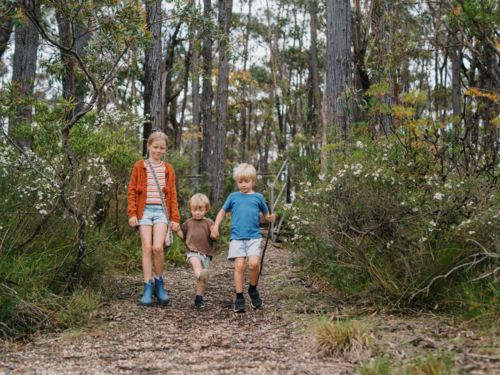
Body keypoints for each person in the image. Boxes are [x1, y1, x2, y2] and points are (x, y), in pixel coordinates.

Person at [210, 163, 275, 312]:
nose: (243, 185)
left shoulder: (258, 197)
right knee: (240, 266)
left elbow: (266, 214)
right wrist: (216, 226)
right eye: (240, 182)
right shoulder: (233, 197)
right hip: (237, 237)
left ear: (253, 181)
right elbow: (222, 212)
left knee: (253, 264)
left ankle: (252, 289)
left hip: (254, 237)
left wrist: (270, 217)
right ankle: (239, 297)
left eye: (246, 181)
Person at [127, 132, 180, 306]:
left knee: (158, 247)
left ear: (165, 149)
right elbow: (132, 191)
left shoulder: (168, 169)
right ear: (148, 146)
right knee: (147, 247)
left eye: (162, 148)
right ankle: (147, 286)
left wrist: (175, 218)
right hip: (144, 211)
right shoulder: (139, 166)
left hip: (162, 212)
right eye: (155, 147)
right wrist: (132, 213)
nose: (158, 151)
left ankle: (159, 284)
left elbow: (172, 194)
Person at [174, 193, 215, 308]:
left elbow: (214, 237)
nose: (197, 212)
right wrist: (177, 231)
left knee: (202, 279)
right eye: (195, 210)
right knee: (197, 266)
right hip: (191, 251)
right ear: (190, 209)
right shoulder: (188, 223)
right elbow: (184, 236)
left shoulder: (209, 222)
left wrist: (214, 232)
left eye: (201, 210)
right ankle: (201, 275)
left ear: (206, 210)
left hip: (205, 252)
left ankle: (199, 298)